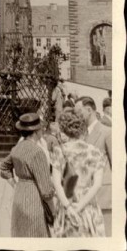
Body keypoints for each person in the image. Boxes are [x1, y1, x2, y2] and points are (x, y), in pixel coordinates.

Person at [51, 109, 106, 237]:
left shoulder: (59, 150)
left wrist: (69, 207)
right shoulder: (95, 152)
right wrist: (80, 206)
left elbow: (56, 183)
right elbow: (97, 185)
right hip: (88, 205)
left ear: (63, 128)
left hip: (67, 203)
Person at [0, 113, 55, 238]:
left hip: (19, 196)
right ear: (36, 131)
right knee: (35, 236)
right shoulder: (37, 152)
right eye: (41, 128)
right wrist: (53, 211)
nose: (42, 130)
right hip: (34, 199)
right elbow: (46, 191)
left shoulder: (17, 148)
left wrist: (14, 183)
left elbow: (4, 167)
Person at [74, 96, 112, 235]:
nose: (76, 116)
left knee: (107, 238)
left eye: (78, 112)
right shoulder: (81, 135)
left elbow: (116, 166)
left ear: (89, 110)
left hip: (104, 196)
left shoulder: (107, 132)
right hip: (86, 198)